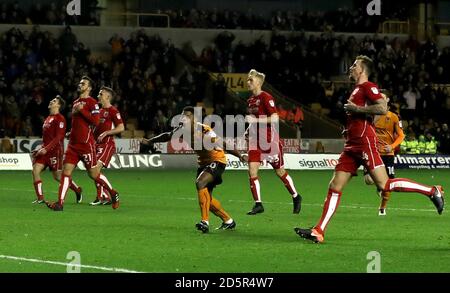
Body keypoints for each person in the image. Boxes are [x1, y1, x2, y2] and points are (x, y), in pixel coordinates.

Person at [295, 55, 445, 243]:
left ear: (362, 70)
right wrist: (350, 128)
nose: (351, 67)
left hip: (364, 142)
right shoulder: (356, 90)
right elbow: (371, 117)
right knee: (335, 186)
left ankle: (432, 191)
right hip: (352, 145)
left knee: (384, 185)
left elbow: (382, 108)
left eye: (354, 65)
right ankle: (319, 231)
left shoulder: (368, 87)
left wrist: (357, 111)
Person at [141, 106, 246, 233]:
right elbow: (167, 136)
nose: (183, 118)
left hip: (217, 160)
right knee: (208, 198)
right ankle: (228, 221)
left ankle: (204, 222)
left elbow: (223, 144)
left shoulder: (203, 130)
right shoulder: (181, 130)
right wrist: (150, 141)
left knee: (200, 183)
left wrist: (240, 155)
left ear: (194, 119)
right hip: (203, 163)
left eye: (187, 115)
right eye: (182, 115)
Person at [46, 76, 120, 211]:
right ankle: (60, 203)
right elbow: (78, 123)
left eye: (83, 83)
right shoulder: (75, 102)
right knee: (66, 173)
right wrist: (71, 132)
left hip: (86, 145)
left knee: (93, 174)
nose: (80, 85)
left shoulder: (92, 103)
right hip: (73, 145)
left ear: (89, 88)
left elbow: (96, 121)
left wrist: (82, 110)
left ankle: (113, 193)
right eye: (80, 83)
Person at [245, 69, 302, 215]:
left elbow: (275, 118)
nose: (248, 82)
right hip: (255, 142)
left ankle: (296, 196)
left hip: (270, 143)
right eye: (248, 79)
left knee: (280, 172)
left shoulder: (266, 97)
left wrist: (256, 120)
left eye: (250, 80)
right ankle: (258, 204)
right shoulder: (250, 101)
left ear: (258, 82)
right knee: (252, 171)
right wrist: (248, 130)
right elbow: (253, 121)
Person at [31, 95, 82, 204]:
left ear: (58, 105)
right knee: (35, 170)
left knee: (58, 177)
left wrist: (47, 149)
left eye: (54, 101)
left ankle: (77, 189)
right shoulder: (48, 118)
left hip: (55, 151)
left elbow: (59, 137)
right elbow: (47, 138)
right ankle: (40, 198)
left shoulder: (60, 119)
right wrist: (41, 148)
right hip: (45, 151)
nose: (51, 101)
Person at [364, 101, 405, 216]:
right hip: (373, 152)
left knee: (389, 183)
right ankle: (379, 185)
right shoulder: (370, 116)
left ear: (387, 105)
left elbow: (401, 135)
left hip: (388, 154)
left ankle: (382, 208)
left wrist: (392, 146)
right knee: (368, 180)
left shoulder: (394, 117)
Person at [89, 86, 124, 206]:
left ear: (108, 97)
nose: (98, 96)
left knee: (95, 170)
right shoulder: (97, 111)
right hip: (95, 145)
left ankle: (106, 196)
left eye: (100, 94)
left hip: (107, 144)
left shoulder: (113, 111)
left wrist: (107, 132)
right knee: (94, 171)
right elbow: (93, 127)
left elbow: (121, 127)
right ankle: (103, 197)